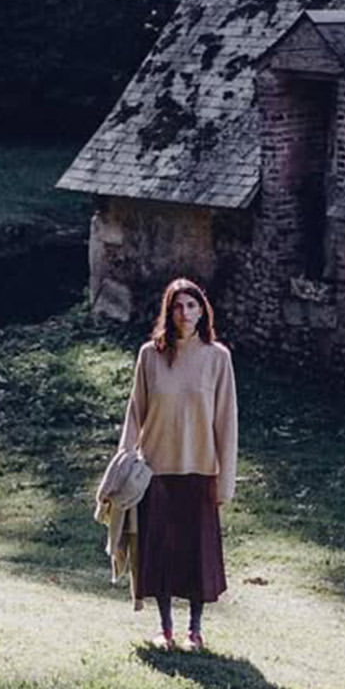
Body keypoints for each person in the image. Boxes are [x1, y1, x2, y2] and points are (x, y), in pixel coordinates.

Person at [119, 277, 238, 651]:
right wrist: (123, 463)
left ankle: (195, 631)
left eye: (191, 305)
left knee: (197, 553)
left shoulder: (218, 358)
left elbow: (226, 421)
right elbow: (135, 412)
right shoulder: (149, 356)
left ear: (202, 311)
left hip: (201, 468)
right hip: (156, 470)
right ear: (168, 312)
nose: (185, 312)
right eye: (177, 306)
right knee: (160, 553)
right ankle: (166, 629)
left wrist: (225, 481)